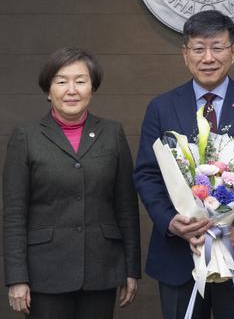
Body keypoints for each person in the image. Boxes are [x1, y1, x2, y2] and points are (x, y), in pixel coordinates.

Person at [134, 10, 234, 319]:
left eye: (217, 47)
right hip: (180, 255)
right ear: (185, 54)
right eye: (198, 48)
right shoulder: (161, 107)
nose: (208, 57)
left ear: (233, 52)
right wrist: (171, 222)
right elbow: (146, 175)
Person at [3, 47, 141, 319]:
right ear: (48, 90)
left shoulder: (112, 133)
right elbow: (15, 214)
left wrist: (130, 268)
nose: (71, 89)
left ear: (92, 87)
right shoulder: (26, 137)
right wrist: (16, 277)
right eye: (61, 81)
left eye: (80, 81)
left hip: (101, 268)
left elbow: (126, 205)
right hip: (45, 272)